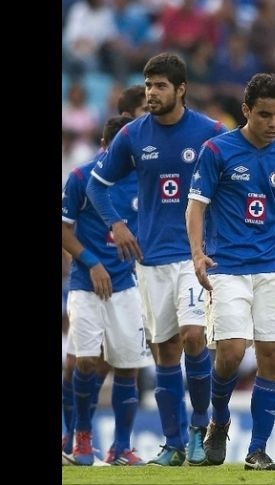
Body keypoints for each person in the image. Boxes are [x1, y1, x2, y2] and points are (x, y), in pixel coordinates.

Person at [87, 52, 228, 466]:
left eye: (160, 86)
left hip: (193, 256)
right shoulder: (132, 135)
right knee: (165, 350)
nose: (151, 93)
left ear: (181, 89)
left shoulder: (210, 133)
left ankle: (201, 426)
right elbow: (98, 186)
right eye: (148, 85)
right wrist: (116, 223)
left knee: (193, 337)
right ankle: (174, 444)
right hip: (150, 259)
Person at [185, 73, 275, 471]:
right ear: (246, 111)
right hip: (226, 269)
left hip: (271, 270)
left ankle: (257, 449)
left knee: (273, 354)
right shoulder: (216, 150)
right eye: (264, 114)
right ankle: (220, 417)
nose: (273, 123)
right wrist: (196, 254)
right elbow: (196, 205)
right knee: (230, 352)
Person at [62, 85, 149, 466]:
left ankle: (121, 446)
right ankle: (81, 438)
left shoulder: (142, 179)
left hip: (127, 285)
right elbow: (64, 227)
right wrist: (92, 262)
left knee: (127, 364)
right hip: (86, 284)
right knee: (85, 362)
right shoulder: (81, 177)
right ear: (103, 144)